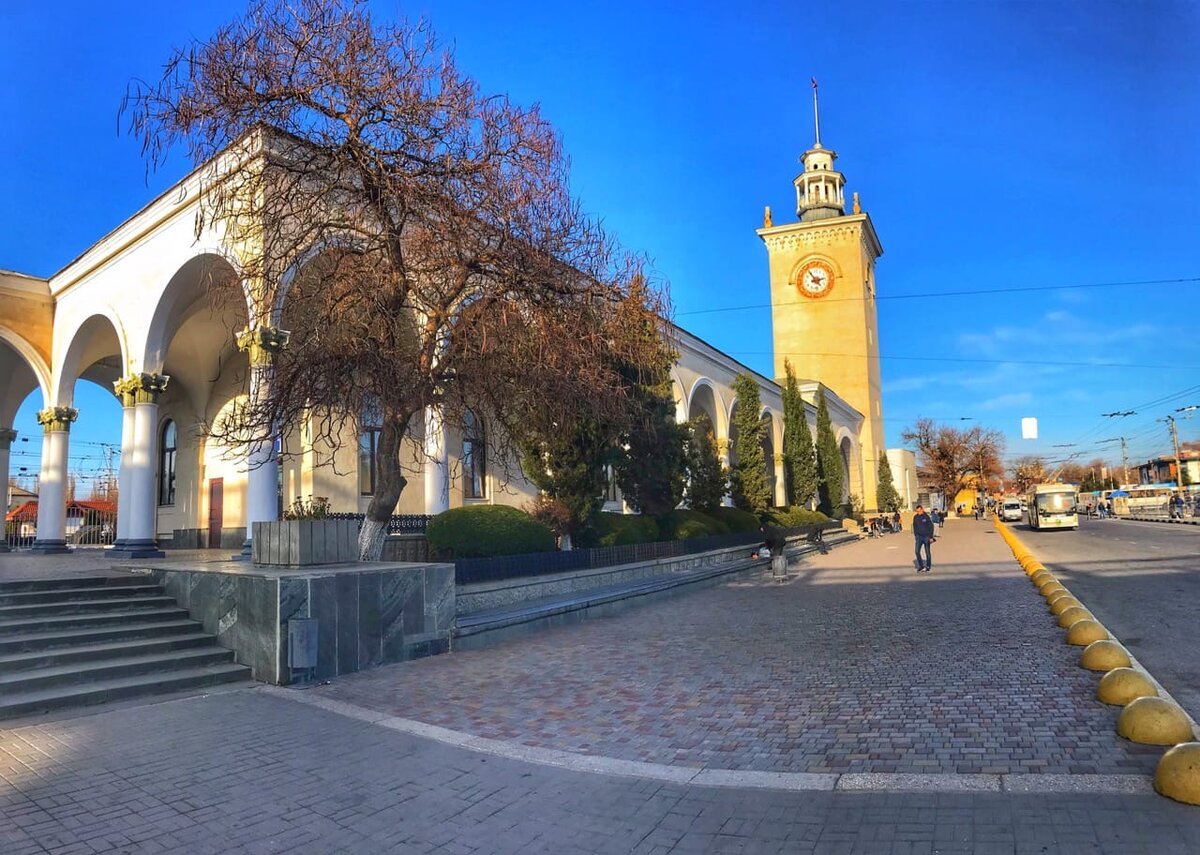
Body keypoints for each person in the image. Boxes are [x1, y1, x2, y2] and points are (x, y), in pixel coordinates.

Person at [913, 504, 936, 573]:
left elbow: (931, 527)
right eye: (917, 511)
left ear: (922, 509)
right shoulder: (915, 517)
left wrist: (931, 537)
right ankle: (921, 566)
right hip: (919, 537)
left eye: (919, 511)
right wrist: (916, 535)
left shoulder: (926, 517)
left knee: (927, 552)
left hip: (926, 537)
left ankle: (928, 566)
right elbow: (914, 526)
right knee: (917, 551)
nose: (918, 513)